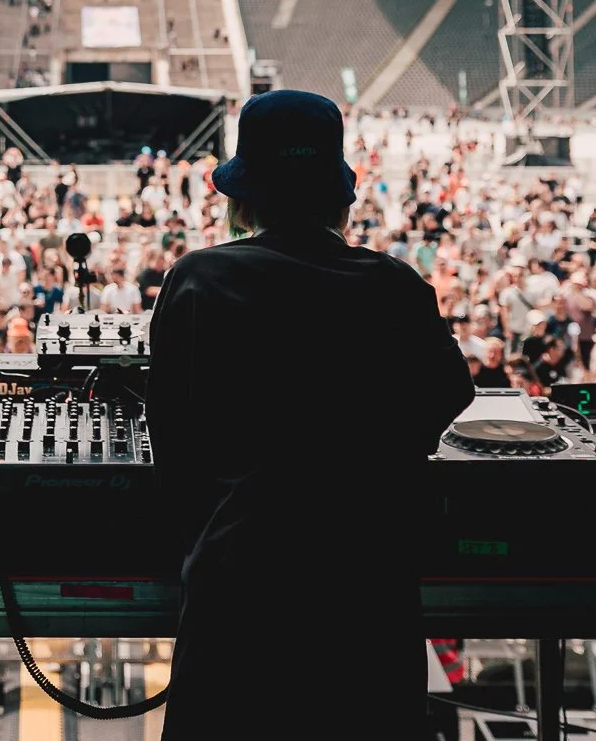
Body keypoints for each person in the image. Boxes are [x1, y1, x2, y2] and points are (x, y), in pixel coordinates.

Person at [147, 89, 472, 740]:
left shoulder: (198, 279)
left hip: (238, 576)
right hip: (366, 583)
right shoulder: (396, 286)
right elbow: (449, 395)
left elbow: (172, 439)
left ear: (244, 198)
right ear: (338, 196)